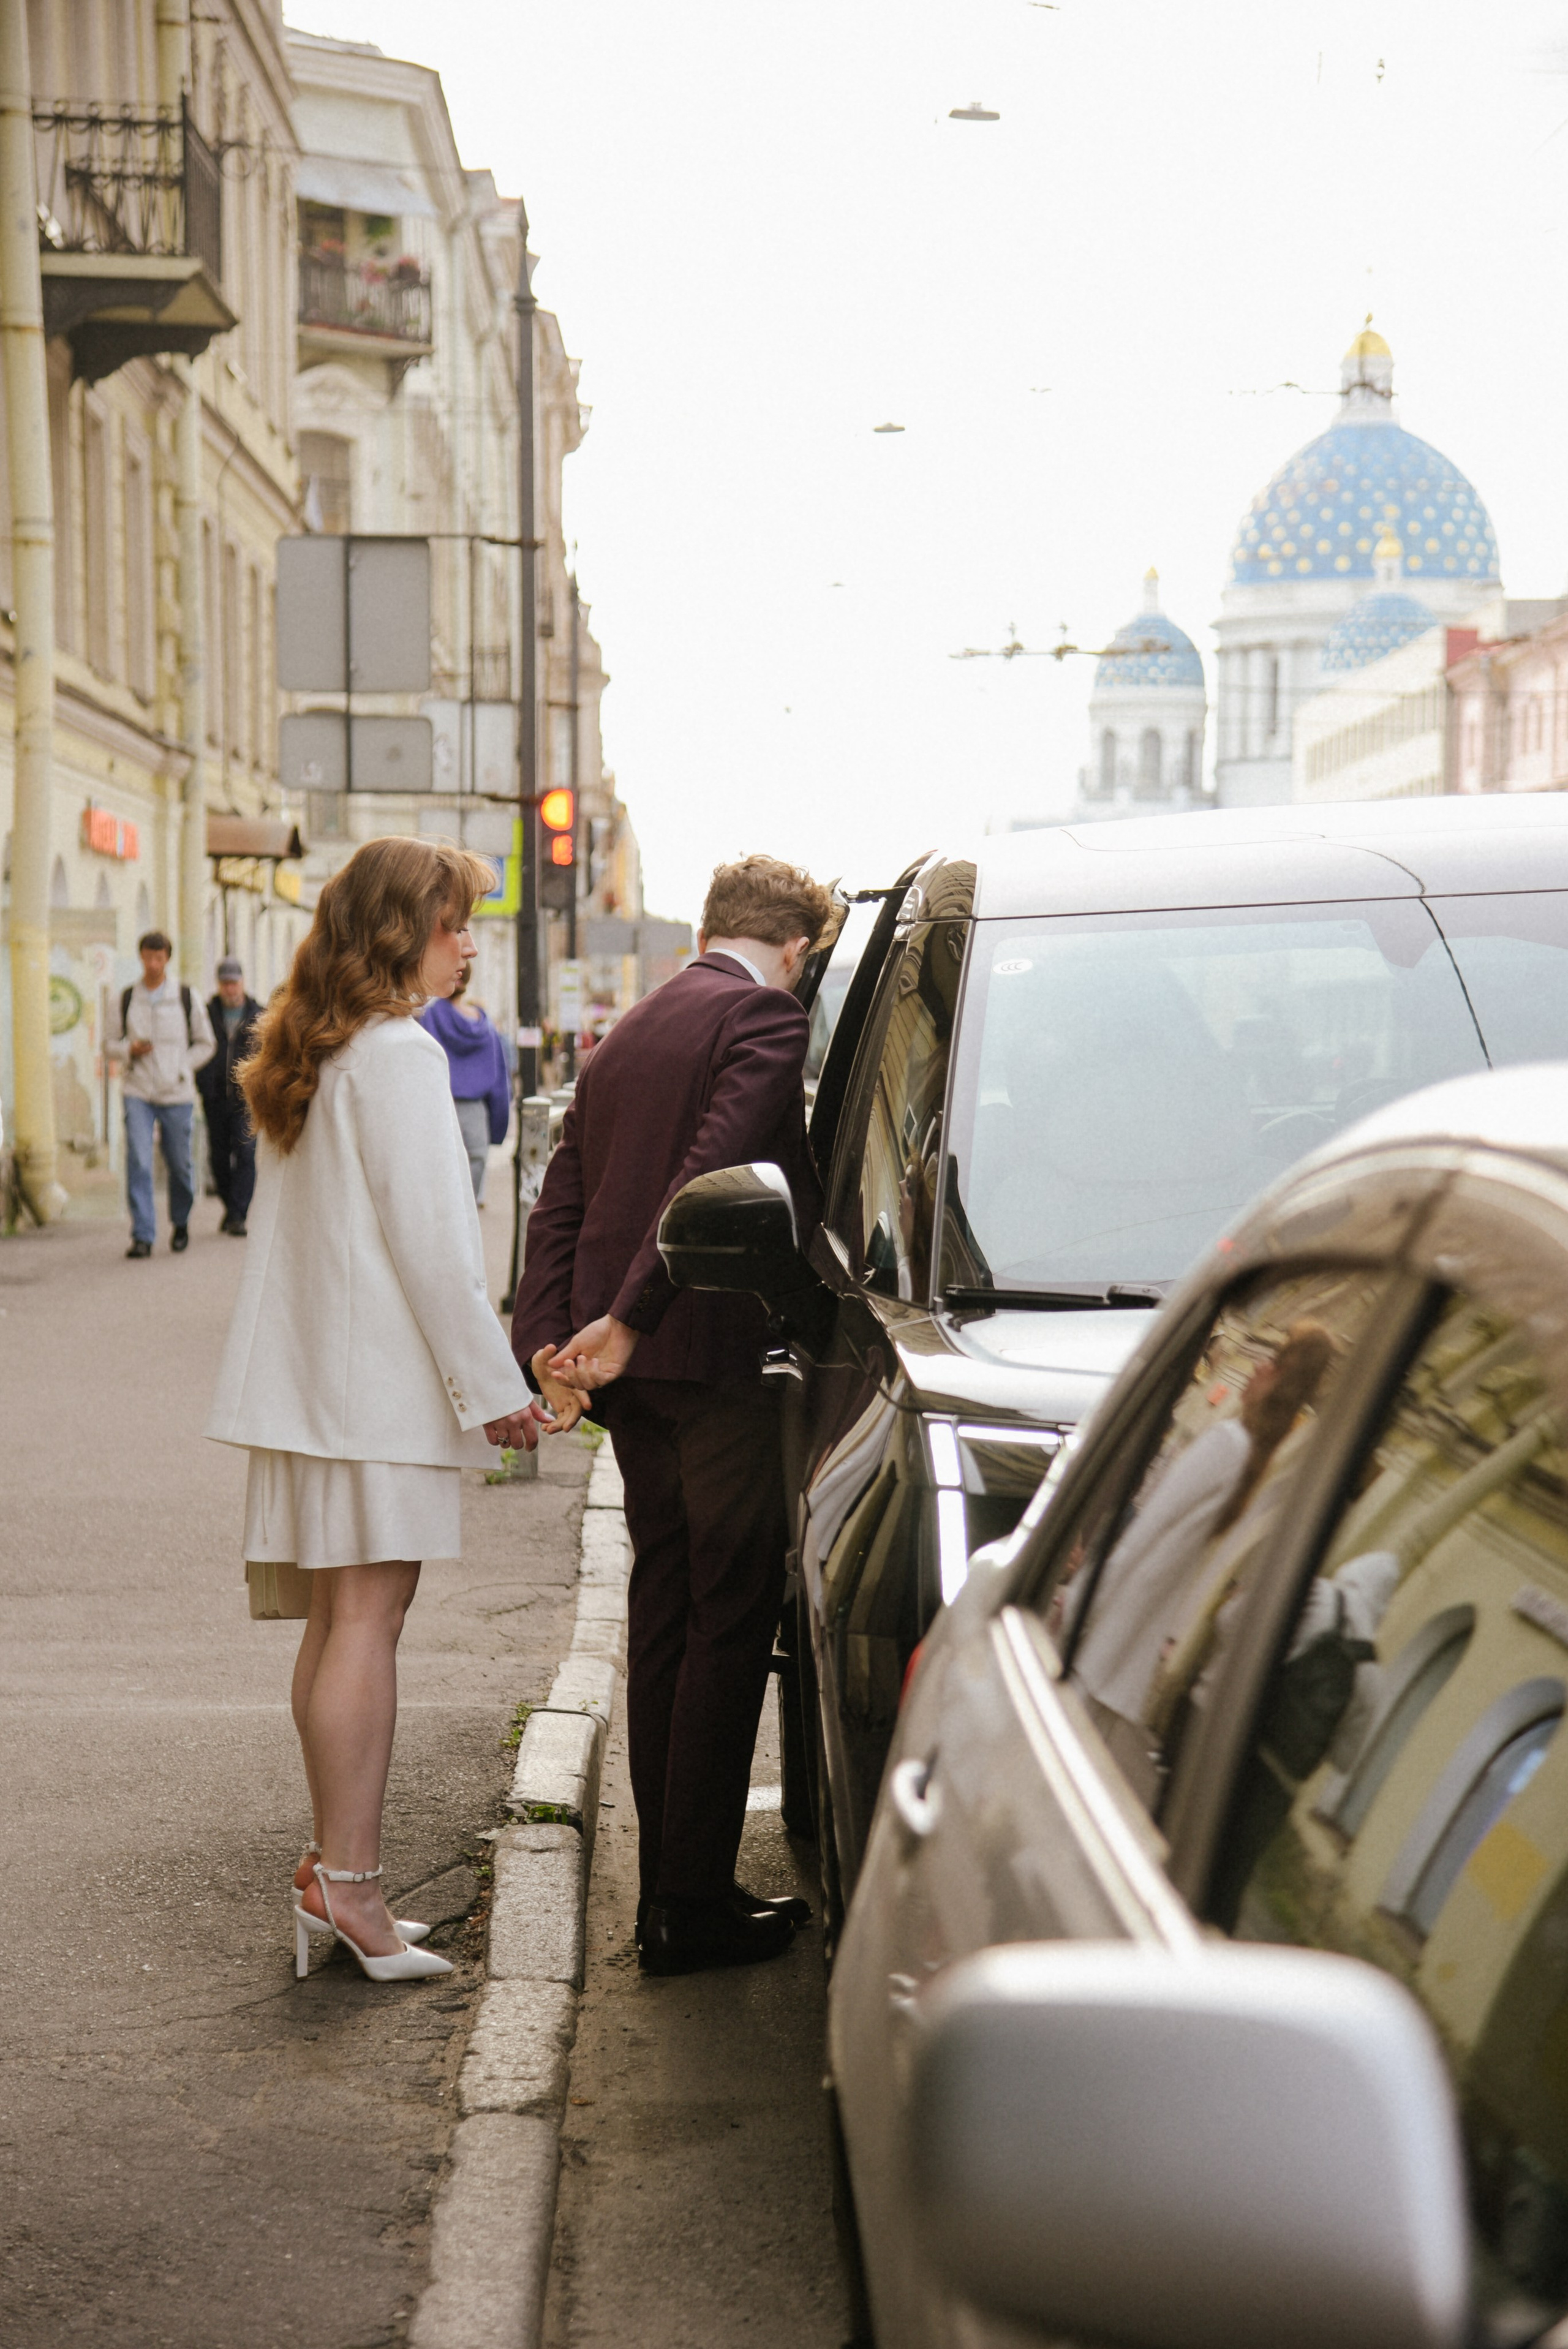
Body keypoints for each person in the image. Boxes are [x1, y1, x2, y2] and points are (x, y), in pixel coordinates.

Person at [205, 837, 551, 1985]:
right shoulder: (397, 1056)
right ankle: (351, 1887)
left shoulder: (323, 1049)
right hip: (373, 1389)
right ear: (404, 933)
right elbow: (435, 1251)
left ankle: (331, 1874)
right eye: (455, 923)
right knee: (367, 1622)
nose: (467, 944)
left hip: (321, 1385)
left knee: (338, 1621)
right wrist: (494, 1391)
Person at [513, 853, 835, 1977]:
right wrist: (642, 1316)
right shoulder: (760, 1019)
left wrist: (549, 1343)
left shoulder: (636, 1025)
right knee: (731, 1612)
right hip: (704, 1358)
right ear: (797, 949)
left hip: (629, 1369)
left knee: (666, 1607)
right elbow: (719, 1164)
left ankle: (673, 1894)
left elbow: (565, 1194)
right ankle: (687, 1903)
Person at [106, 930, 216, 1260]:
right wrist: (129, 1050)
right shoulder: (126, 998)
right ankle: (143, 1234)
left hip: (176, 1092)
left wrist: (182, 1067)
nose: (153, 964)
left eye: (159, 957)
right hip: (138, 1089)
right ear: (141, 958)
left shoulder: (185, 997)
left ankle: (180, 1222)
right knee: (139, 1159)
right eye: (148, 957)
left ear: (167, 959)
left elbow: (206, 1043)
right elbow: (109, 1044)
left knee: (180, 1164)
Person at [418, 961, 511, 1203]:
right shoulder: (485, 1026)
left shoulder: (428, 1018)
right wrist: (499, 1123)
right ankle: (468, 1204)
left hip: (434, 1103)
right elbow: (500, 1079)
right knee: (477, 1157)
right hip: (475, 1108)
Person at [197, 956, 263, 1237]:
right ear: (219, 985)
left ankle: (238, 1214)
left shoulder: (259, 1014)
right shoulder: (206, 1013)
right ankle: (230, 1206)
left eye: (234, 983)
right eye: (225, 984)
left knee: (247, 1155)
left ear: (242, 983)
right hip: (215, 1097)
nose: (230, 989)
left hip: (248, 1099)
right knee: (219, 1158)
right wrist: (204, 1083)